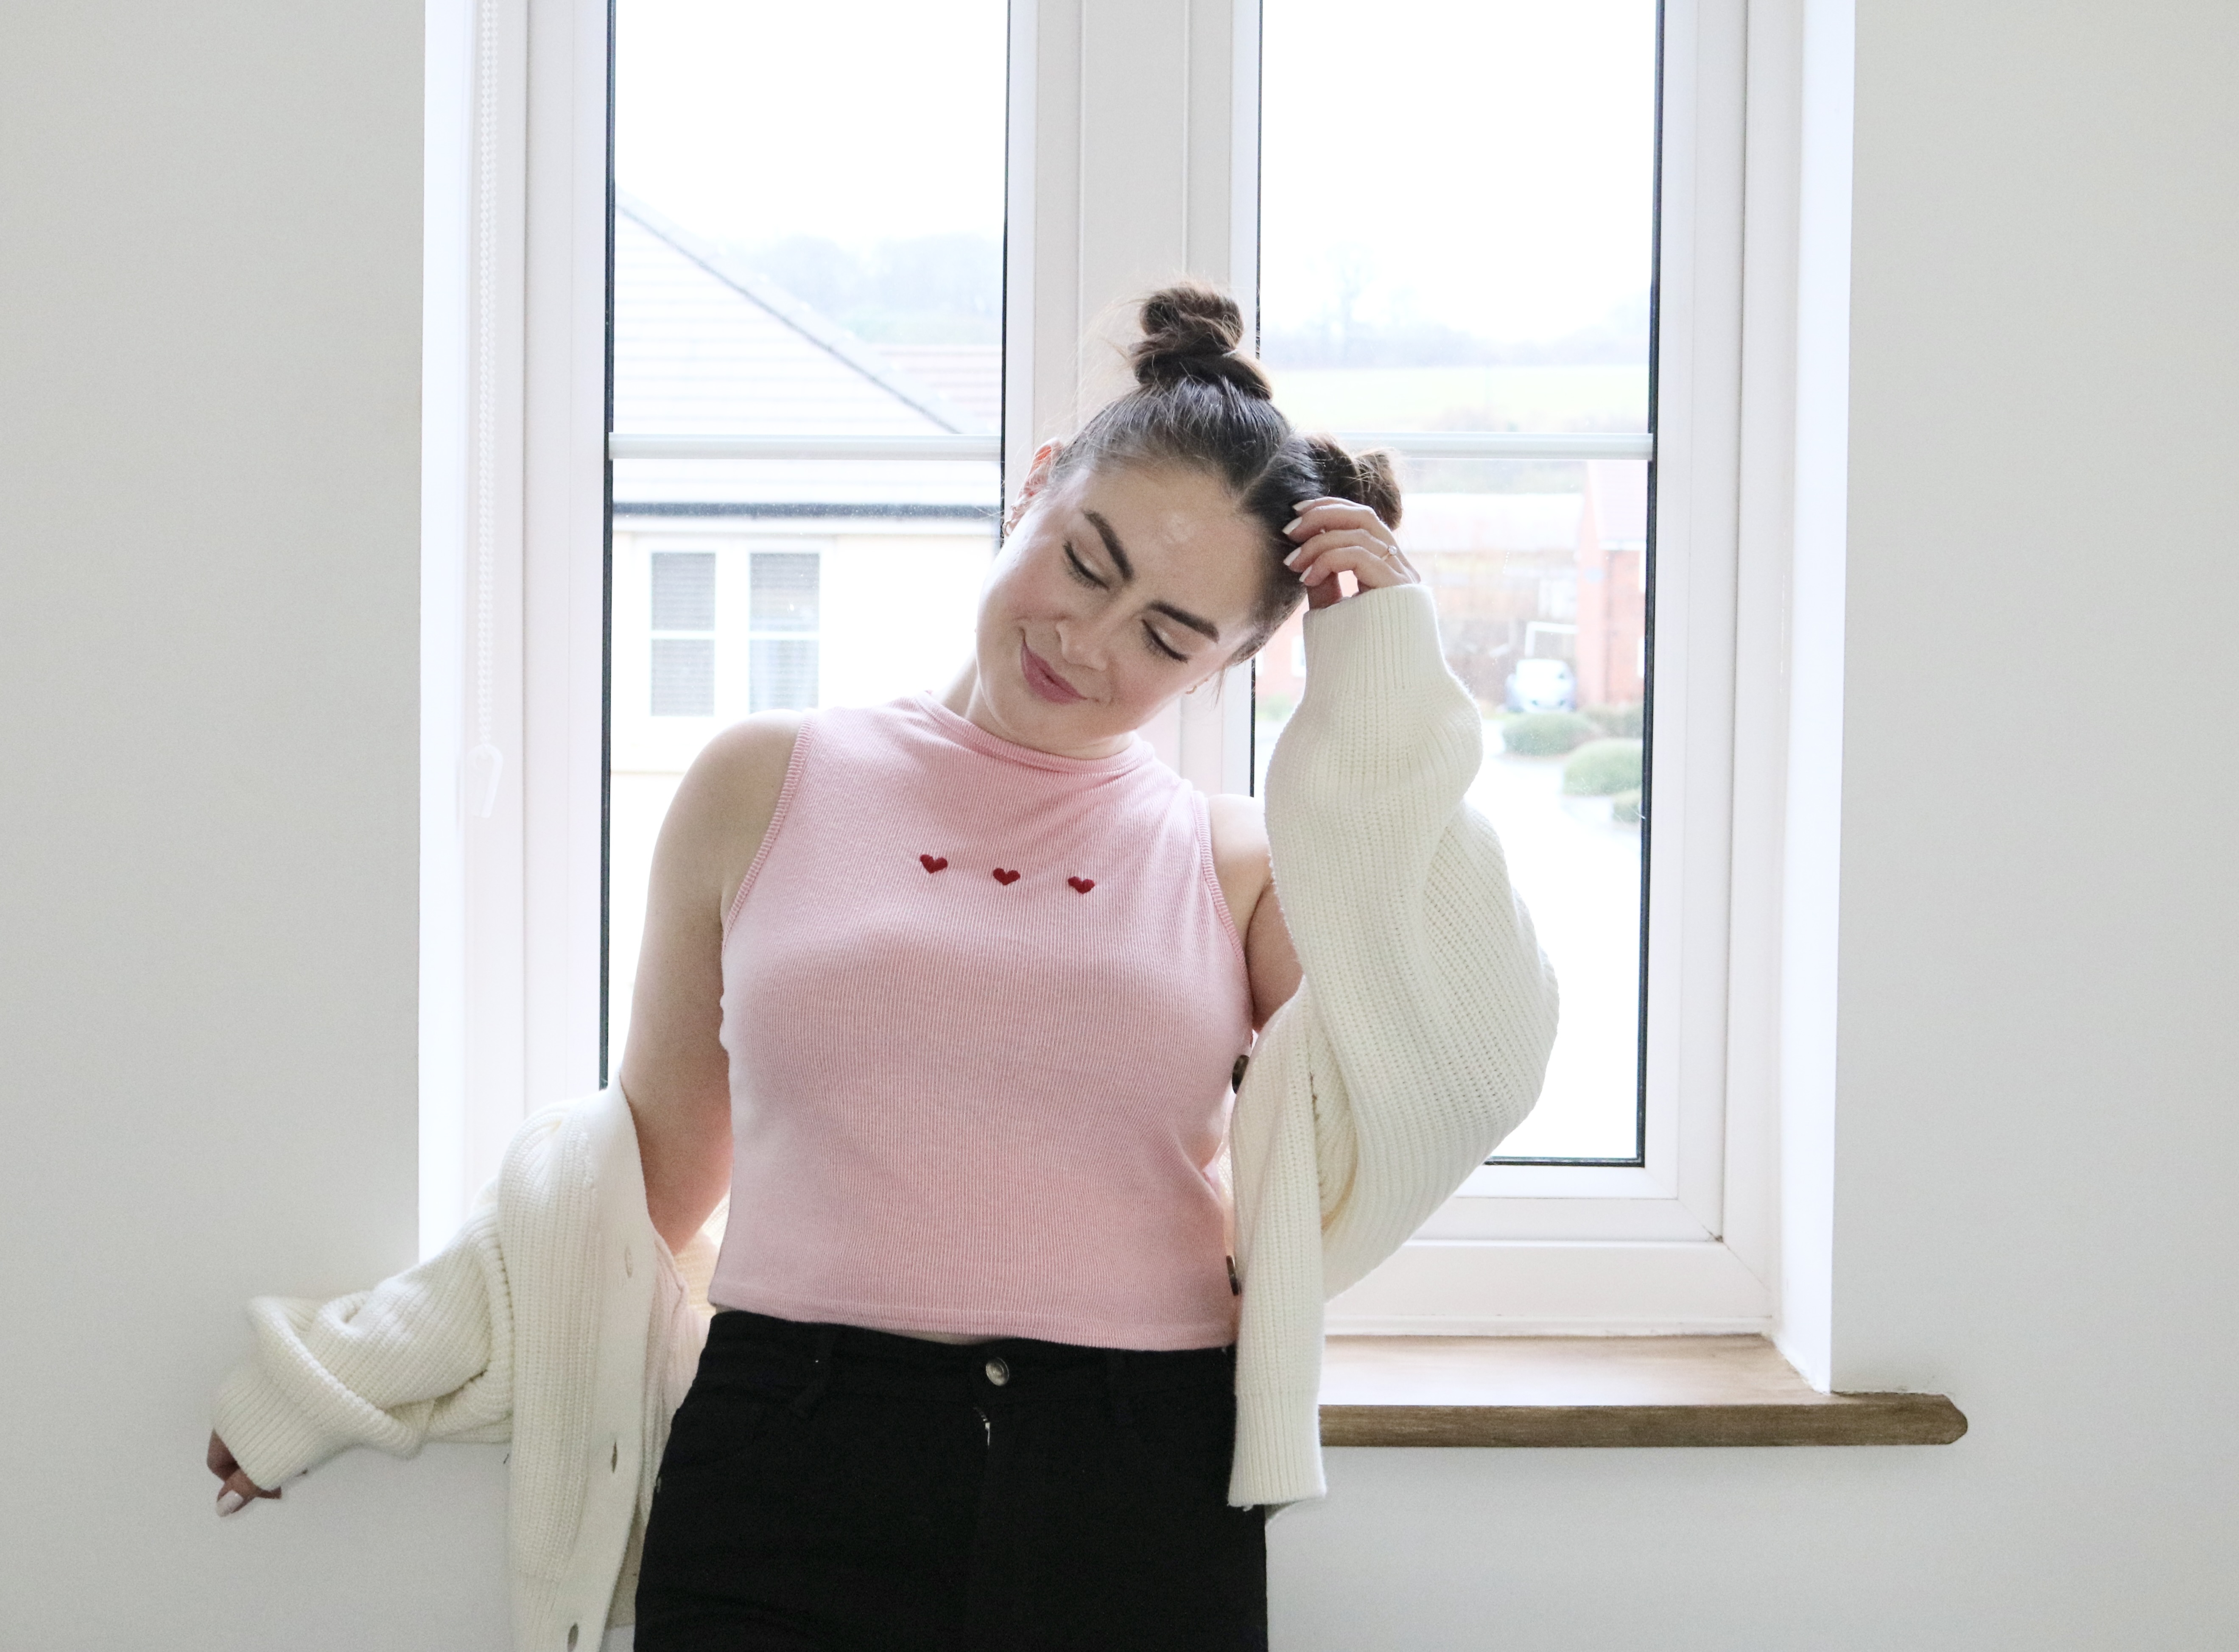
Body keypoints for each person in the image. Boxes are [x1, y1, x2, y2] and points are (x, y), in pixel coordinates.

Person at [207, 284, 1560, 1652]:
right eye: (1087, 563)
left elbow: (1469, 1051)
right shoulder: (764, 783)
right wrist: (351, 1372)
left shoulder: (1240, 869)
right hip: (789, 1458)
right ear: (1036, 486)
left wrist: (1384, 677)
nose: (1089, 644)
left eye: (1167, 634)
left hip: (1135, 1479)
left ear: (1233, 663)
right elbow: (642, 1172)